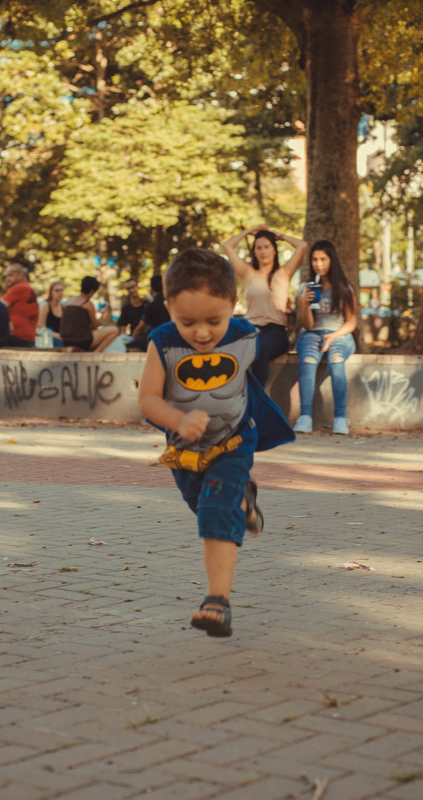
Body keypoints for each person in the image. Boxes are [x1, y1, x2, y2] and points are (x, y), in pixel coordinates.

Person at [138, 249, 294, 638]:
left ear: (233, 304)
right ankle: (243, 501)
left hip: (234, 441)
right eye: (187, 321)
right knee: (204, 505)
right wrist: (179, 419)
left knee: (213, 511)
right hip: (185, 451)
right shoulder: (163, 342)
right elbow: (148, 398)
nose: (202, 333)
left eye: (214, 320)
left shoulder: (246, 336)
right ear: (169, 304)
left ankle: (217, 601)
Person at [220, 225, 307, 384]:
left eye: (267, 247)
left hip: (275, 331)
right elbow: (227, 246)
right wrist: (248, 232)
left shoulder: (284, 273)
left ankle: (257, 397)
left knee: (260, 348)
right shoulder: (247, 273)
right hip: (250, 327)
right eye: (258, 248)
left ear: (274, 250)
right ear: (254, 252)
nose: (263, 251)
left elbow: (302, 246)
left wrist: (278, 234)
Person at [292, 240, 358, 435]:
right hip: (312, 333)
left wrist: (332, 337)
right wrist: (303, 304)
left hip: (339, 334)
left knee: (336, 361)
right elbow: (309, 325)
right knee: (309, 360)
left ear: (332, 260)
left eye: (323, 259)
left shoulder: (345, 287)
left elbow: (351, 322)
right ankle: (305, 417)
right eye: (314, 260)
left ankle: (340, 418)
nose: (318, 264)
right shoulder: (306, 287)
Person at [59, 276, 121, 352]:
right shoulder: (87, 303)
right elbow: (95, 326)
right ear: (92, 291)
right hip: (83, 341)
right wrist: (101, 316)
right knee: (115, 330)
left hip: (66, 341)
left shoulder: (70, 301)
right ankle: (96, 353)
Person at [127, 274, 171, 352]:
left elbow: (140, 327)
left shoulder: (152, 305)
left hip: (156, 339)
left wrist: (131, 339)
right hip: (170, 337)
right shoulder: (170, 302)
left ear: (151, 289)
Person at [2, 263, 38, 347]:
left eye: (10, 275)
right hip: (27, 337)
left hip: (17, 336)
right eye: (6, 276)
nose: (7, 278)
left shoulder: (19, 287)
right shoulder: (27, 287)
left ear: (20, 274)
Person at [38, 280, 65, 346]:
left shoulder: (63, 307)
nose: (60, 293)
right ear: (50, 292)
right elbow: (40, 327)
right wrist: (58, 336)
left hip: (61, 337)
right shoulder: (45, 306)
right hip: (47, 338)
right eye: (56, 291)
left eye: (61, 290)